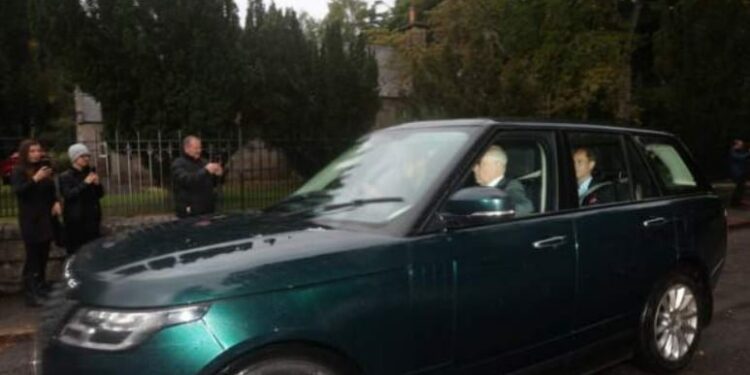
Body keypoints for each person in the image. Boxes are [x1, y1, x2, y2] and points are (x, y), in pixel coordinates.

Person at [10, 140, 61, 306]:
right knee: (33, 256)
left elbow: (50, 189)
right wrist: (35, 179)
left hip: (46, 217)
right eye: (32, 151)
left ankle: (41, 284)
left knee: (43, 254)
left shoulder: (43, 169)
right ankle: (31, 293)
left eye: (38, 150)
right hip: (31, 219)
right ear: (25, 153)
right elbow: (19, 191)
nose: (36, 154)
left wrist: (56, 201)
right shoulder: (19, 171)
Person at [59, 144, 104, 254]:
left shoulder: (90, 173)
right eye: (82, 156)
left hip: (92, 219)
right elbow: (68, 195)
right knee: (77, 252)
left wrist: (97, 184)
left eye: (87, 156)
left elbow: (100, 195)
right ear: (74, 158)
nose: (86, 159)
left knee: (93, 251)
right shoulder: (65, 176)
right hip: (76, 221)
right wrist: (85, 183)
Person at [171, 135, 223, 218]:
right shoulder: (178, 164)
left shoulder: (203, 162)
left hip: (208, 210)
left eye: (200, 148)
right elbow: (187, 180)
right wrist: (205, 171)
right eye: (196, 148)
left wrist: (218, 175)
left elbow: (213, 183)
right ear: (186, 148)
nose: (199, 151)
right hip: (190, 211)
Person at [472, 145, 533, 215]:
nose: (474, 168)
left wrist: (496, 210)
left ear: (497, 165)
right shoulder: (475, 188)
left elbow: (525, 208)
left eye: (479, 163)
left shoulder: (511, 187)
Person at [729, 139, 750, 207]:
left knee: (740, 188)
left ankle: (737, 201)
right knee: (739, 188)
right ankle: (734, 203)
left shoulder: (738, 151)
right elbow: (740, 158)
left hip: (741, 172)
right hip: (737, 172)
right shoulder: (732, 151)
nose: (741, 146)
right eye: (740, 144)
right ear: (735, 145)